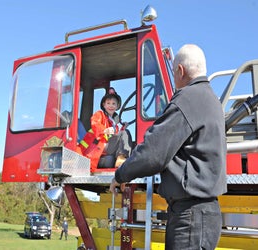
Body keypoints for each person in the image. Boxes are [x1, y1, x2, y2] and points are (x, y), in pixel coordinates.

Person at [110, 44, 227, 250]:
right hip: (204, 214)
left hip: (190, 217)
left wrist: (120, 175)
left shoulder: (187, 100)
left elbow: (153, 154)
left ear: (180, 71)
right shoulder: (211, 99)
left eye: (173, 73)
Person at [79, 87, 132, 171]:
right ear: (104, 105)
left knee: (125, 133)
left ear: (117, 106)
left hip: (106, 148)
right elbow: (95, 123)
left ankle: (122, 159)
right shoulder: (100, 114)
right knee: (125, 133)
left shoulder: (114, 123)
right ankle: (122, 158)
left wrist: (123, 128)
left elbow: (116, 136)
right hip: (97, 146)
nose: (111, 106)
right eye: (108, 103)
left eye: (114, 103)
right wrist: (104, 130)